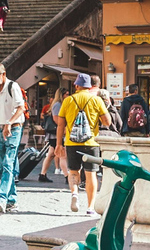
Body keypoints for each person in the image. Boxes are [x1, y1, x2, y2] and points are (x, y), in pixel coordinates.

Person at [55, 73, 110, 215]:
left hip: (71, 142)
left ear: (77, 85)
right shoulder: (96, 100)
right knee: (91, 174)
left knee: (74, 171)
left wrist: (58, 144)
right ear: (90, 86)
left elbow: (60, 125)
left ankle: (74, 193)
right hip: (91, 142)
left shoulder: (68, 100)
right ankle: (90, 207)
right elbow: (107, 122)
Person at [0, 63, 25, 213]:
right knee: (4, 166)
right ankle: (12, 200)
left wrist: (10, 122)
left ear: (4, 73)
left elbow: (21, 108)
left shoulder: (12, 86)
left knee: (8, 163)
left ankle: (2, 197)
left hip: (13, 129)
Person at [39, 88, 68, 182]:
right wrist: (63, 130)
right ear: (61, 95)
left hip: (55, 134)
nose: (67, 96)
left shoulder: (58, 104)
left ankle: (42, 174)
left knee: (51, 154)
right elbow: (56, 119)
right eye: (66, 94)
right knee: (63, 154)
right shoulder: (58, 105)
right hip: (56, 134)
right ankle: (67, 176)